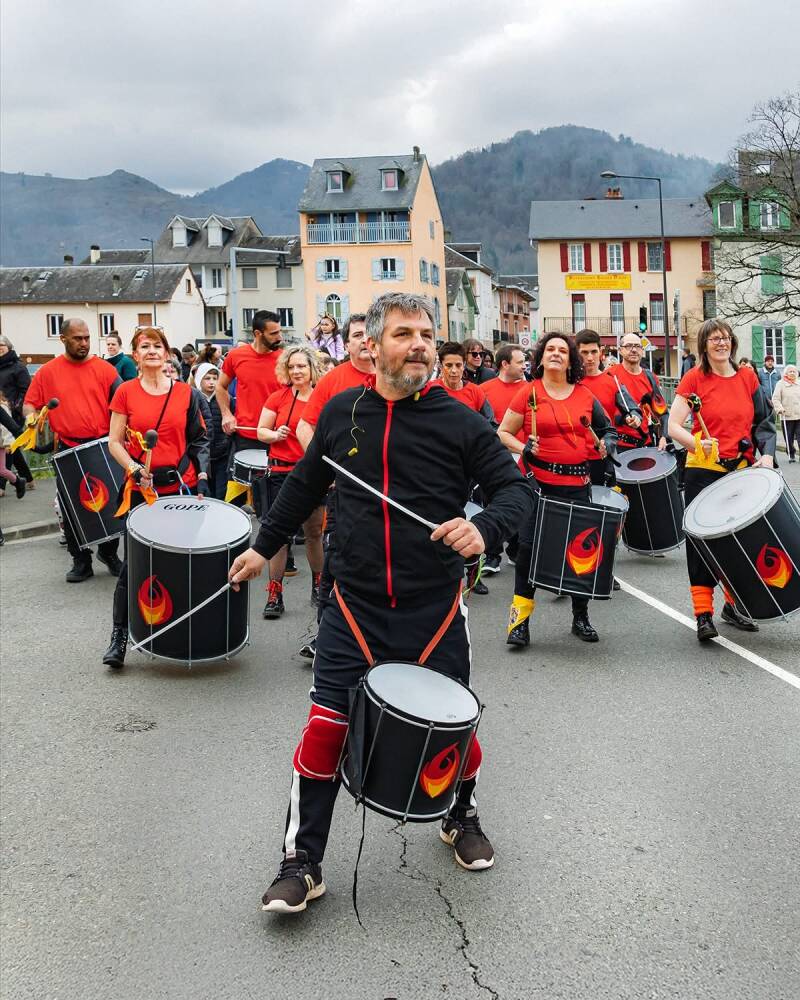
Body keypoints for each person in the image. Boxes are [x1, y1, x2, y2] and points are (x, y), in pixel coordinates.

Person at [228, 292, 532, 913]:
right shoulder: (342, 413)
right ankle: (302, 862)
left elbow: (514, 492)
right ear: (373, 344)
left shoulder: (460, 420)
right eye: (403, 334)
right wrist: (263, 547)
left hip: (434, 608)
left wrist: (485, 529)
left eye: (426, 333)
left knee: (457, 730)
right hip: (353, 605)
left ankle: (460, 813)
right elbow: (303, 486)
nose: (418, 343)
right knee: (324, 733)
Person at [498, 332, 617, 648]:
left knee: (581, 554)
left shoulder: (585, 395)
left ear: (571, 359)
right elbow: (503, 433)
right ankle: (519, 623)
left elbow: (608, 430)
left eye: (562, 350)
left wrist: (608, 445)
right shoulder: (528, 393)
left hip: (578, 485)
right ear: (540, 356)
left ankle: (581, 617)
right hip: (538, 486)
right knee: (527, 552)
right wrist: (524, 448)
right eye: (549, 349)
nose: (555, 353)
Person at [102, 327, 210, 668]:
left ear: (167, 354)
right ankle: (120, 635)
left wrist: (202, 478)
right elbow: (114, 441)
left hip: (179, 486)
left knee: (181, 561)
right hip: (141, 491)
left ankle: (180, 630)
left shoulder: (185, 394)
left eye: (157, 345)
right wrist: (135, 468)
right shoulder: (125, 392)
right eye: (144, 346)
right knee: (134, 564)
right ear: (135, 355)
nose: (151, 350)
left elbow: (199, 440)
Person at [668, 319, 776, 642]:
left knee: (740, 542)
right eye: (714, 339)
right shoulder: (694, 379)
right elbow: (673, 425)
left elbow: (764, 422)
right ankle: (703, 614)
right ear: (704, 345)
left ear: (732, 343)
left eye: (725, 338)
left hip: (740, 470)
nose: (721, 343)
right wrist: (694, 443)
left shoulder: (747, 377)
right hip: (704, 470)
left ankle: (733, 605)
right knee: (702, 543)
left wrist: (767, 454)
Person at [295, 314, 373, 659]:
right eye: (357, 335)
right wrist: (324, 468)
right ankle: (326, 636)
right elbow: (304, 426)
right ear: (348, 342)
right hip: (346, 493)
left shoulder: (397, 377)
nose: (364, 340)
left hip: (393, 493)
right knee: (336, 565)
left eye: (370, 333)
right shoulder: (335, 380)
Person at [23, 318, 122, 582]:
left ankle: (109, 553)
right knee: (71, 508)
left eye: (87, 338)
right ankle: (81, 561)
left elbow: (124, 399)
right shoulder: (47, 372)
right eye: (78, 338)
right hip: (68, 448)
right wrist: (31, 418)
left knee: (111, 504)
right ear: (63, 339)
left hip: (102, 445)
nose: (84, 343)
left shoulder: (105, 369)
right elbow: (30, 403)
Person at [258, 346, 324, 619]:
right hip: (281, 473)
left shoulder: (322, 399)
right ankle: (275, 593)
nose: (297, 371)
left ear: (312, 370)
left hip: (312, 474)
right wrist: (275, 435)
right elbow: (261, 431)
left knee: (314, 534)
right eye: (292, 367)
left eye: (302, 367)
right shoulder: (278, 397)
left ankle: (319, 586)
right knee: (279, 537)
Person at [216, 311, 283, 514]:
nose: (279, 337)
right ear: (257, 333)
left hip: (276, 438)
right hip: (244, 437)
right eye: (273, 333)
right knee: (233, 501)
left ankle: (278, 545)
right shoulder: (237, 356)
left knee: (273, 502)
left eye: (279, 331)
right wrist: (227, 414)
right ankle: (232, 543)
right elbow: (220, 387)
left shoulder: (284, 358)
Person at [481, 343, 529, 573]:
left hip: (523, 454)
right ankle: (492, 556)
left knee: (520, 502)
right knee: (493, 503)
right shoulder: (485, 389)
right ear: (504, 364)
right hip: (494, 455)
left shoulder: (530, 389)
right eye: (520, 362)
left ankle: (516, 549)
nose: (524, 366)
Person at [575, 329, 639, 486]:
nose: (589, 358)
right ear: (576, 353)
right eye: (584, 352)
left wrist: (635, 418)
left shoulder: (613, 381)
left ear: (600, 352)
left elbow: (632, 408)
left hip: (603, 457)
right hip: (574, 457)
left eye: (593, 352)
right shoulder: (569, 382)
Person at [605, 334, 668, 452]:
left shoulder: (650, 377)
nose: (633, 350)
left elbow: (661, 412)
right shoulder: (610, 375)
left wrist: (663, 436)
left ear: (642, 350)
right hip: (618, 446)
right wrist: (623, 419)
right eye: (628, 346)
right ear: (620, 350)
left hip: (646, 444)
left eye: (637, 346)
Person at [0, 334, 33, 493]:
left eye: (1, 345)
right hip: (2, 411)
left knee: (9, 447)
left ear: (8, 347)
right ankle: (27, 477)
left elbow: (26, 390)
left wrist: (15, 407)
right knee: (12, 447)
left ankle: (1, 485)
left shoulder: (18, 367)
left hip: (14, 413)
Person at [192, 361, 230, 497]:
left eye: (215, 378)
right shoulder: (194, 399)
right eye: (207, 378)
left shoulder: (225, 399)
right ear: (198, 380)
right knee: (205, 492)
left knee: (221, 492)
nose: (212, 382)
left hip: (221, 454)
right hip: (201, 458)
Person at [0, 390, 26, 499]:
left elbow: (8, 426)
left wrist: (7, 443)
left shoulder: (2, 407)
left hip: (1, 443)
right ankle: (18, 482)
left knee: (2, 470)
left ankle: (18, 481)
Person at [772, 364, 800, 462]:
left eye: (794, 371)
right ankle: (791, 454)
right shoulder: (780, 384)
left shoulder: (799, 383)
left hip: (799, 415)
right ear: (786, 373)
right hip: (786, 416)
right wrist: (779, 408)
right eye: (790, 371)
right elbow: (775, 398)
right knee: (789, 438)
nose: (792, 373)